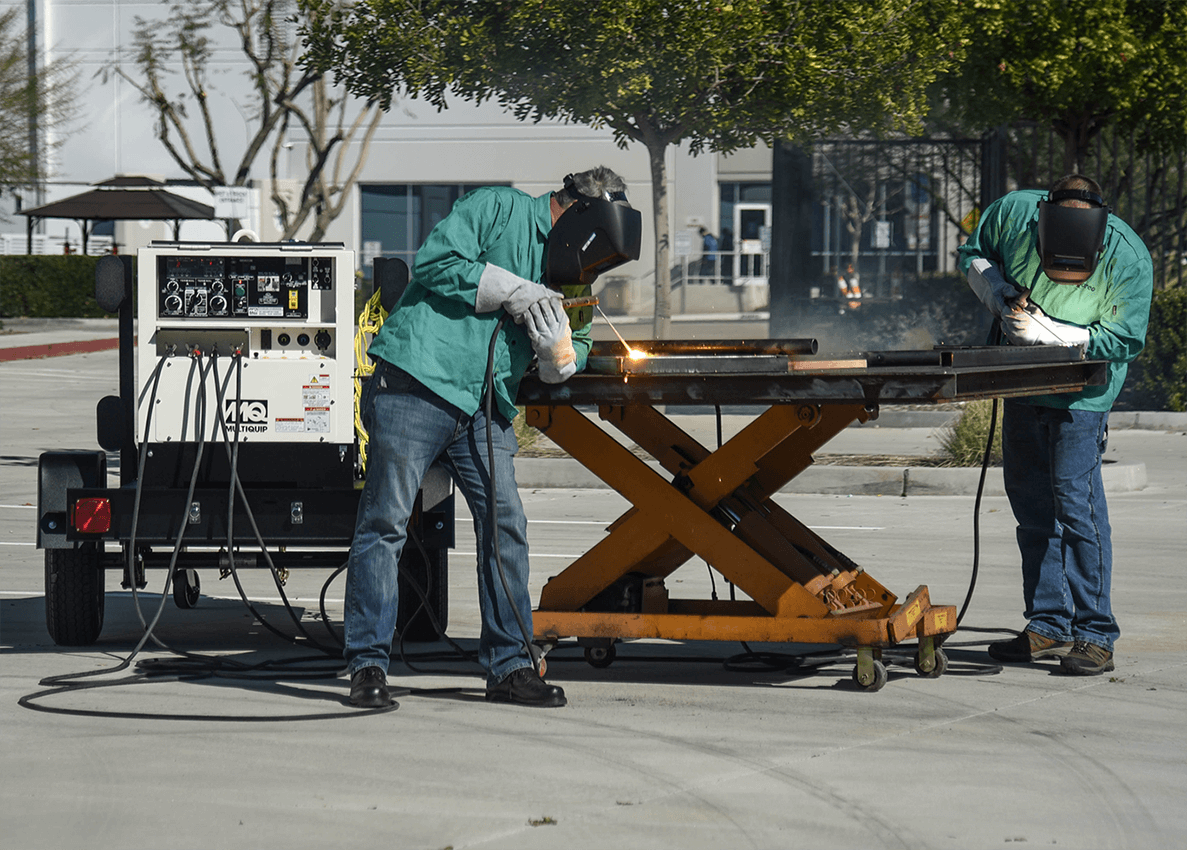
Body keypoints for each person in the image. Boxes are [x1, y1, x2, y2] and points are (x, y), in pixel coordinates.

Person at [345, 166, 631, 708]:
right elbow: (435, 261)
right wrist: (509, 289)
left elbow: (584, 338)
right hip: (416, 384)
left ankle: (510, 667)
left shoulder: (575, 270)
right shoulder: (499, 207)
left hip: (483, 406)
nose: (589, 267)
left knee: (506, 527)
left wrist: (559, 358)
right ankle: (367, 666)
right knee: (385, 522)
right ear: (574, 208)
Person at [958, 174, 1152, 676]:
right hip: (1023, 385)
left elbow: (1125, 340)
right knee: (1031, 506)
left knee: (1076, 508)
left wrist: (1057, 335)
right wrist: (999, 293)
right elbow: (974, 254)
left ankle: (1095, 634)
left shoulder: (1126, 256)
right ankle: (1048, 624)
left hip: (1083, 397)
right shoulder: (1011, 215)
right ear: (1040, 220)